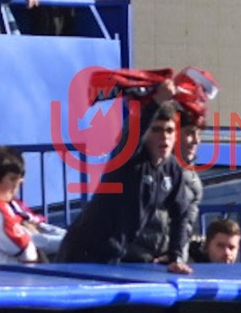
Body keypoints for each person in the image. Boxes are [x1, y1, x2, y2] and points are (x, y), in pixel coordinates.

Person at [57, 100, 196, 269]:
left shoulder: (172, 169)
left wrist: (176, 257)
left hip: (116, 253)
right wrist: (154, 101)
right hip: (84, 250)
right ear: (145, 134)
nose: (164, 136)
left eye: (169, 130)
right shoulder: (129, 159)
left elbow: (181, 213)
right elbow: (131, 136)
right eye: (156, 129)